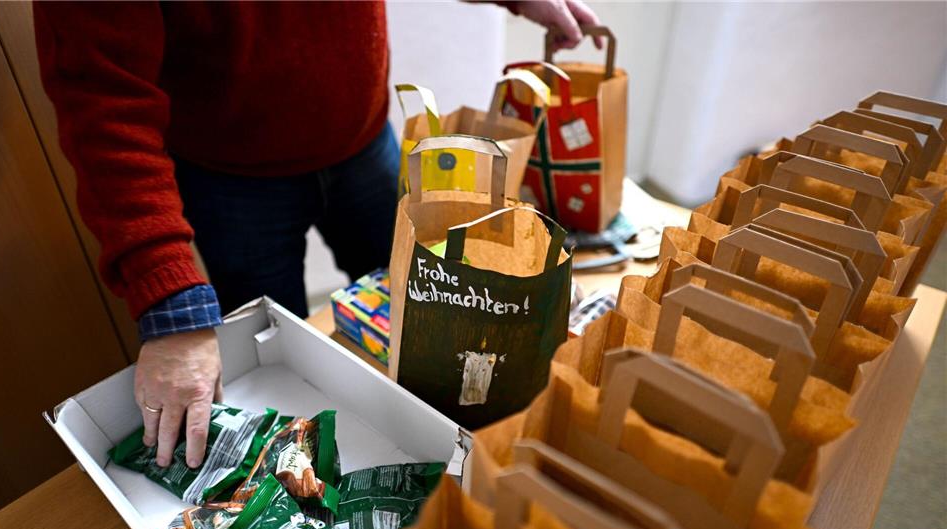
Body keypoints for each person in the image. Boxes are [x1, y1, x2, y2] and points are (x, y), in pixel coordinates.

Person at [34, 0, 601, 470]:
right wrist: (169, 304)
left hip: (365, 139)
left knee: (430, 328)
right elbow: (101, 102)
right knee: (283, 389)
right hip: (229, 181)